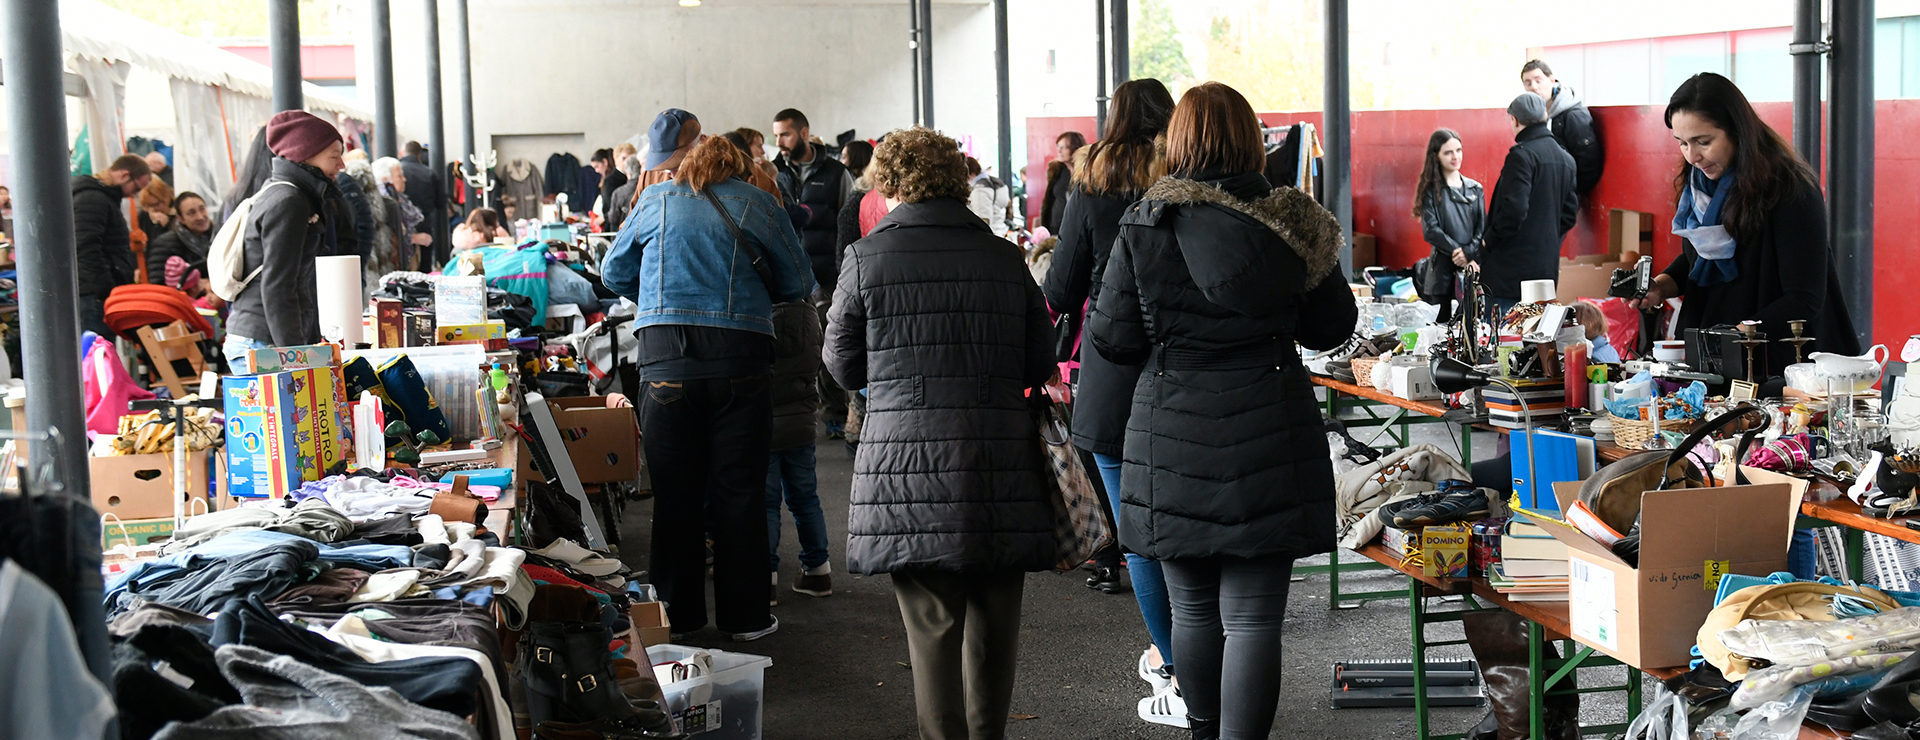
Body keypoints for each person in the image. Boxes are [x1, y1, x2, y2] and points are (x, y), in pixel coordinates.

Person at [1088, 82, 1357, 740]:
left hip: (1171, 433)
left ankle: (1203, 727)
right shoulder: (1294, 220)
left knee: (1194, 611)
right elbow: (1333, 328)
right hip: (1270, 424)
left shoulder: (1147, 221)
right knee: (1256, 620)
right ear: (1252, 141)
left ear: (1176, 142)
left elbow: (1115, 339)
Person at [823, 127, 1055, 740]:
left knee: (931, 628)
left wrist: (892, 386)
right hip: (999, 462)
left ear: (890, 183)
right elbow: (1040, 357)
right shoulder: (1005, 257)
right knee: (996, 627)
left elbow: (841, 361)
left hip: (905, 464)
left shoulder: (865, 258)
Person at [1637, 72, 1860, 581]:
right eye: (1682, 142)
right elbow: (1696, 257)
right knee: (1727, 493)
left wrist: (1738, 333)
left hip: (1785, 368)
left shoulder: (1791, 190)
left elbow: (1806, 297)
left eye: (1703, 140)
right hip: (1725, 367)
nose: (1693, 155)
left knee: (1783, 504)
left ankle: (1789, 606)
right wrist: (1663, 285)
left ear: (1737, 129)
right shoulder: (1701, 189)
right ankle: (1738, 607)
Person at [602, 136, 812, 643]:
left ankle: (679, 617)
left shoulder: (653, 200)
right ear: (739, 168)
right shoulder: (759, 202)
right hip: (742, 358)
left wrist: (656, 295)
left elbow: (612, 273)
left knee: (676, 495)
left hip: (666, 359)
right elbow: (798, 281)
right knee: (739, 493)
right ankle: (747, 620)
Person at [1038, 75, 1184, 727]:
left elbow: (1064, 288)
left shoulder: (1090, 182)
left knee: (1140, 533)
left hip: (1114, 368)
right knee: (1191, 521)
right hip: (1191, 362)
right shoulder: (1190, 177)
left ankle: (1178, 669)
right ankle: (1202, 657)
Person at [224, 111, 345, 368]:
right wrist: (295, 357)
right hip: (263, 343)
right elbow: (278, 284)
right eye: (334, 156)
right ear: (306, 155)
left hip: (260, 338)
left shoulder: (282, 193)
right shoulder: (290, 202)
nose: (341, 164)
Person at [771, 107, 855, 439]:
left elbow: (848, 221)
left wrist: (846, 267)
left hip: (828, 274)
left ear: (804, 133)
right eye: (776, 135)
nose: (779, 141)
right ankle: (803, 413)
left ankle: (836, 411)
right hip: (788, 274)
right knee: (796, 346)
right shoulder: (773, 172)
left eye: (785, 134)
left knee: (831, 344)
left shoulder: (836, 173)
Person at [1480, 93, 1579, 314]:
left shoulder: (1521, 156)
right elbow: (1569, 215)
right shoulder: (1567, 160)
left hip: (1509, 272)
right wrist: (1546, 237)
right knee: (1536, 340)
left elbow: (1514, 211)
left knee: (1506, 341)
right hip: (1545, 270)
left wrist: (1489, 240)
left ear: (1514, 120)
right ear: (1545, 115)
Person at [765, 296, 831, 606]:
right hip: (803, 421)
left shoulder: (759, 311)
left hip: (764, 424)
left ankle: (766, 580)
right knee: (806, 498)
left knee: (765, 505)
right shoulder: (810, 314)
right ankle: (818, 571)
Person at [72, 154, 150, 337]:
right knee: (98, 355)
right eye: (136, 188)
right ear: (124, 175)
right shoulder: (93, 199)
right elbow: (85, 246)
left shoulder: (98, 198)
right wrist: (105, 288)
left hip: (95, 292)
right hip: (93, 295)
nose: (133, 195)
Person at [1414, 128, 1486, 323]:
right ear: (1436, 156)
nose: (1455, 156)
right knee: (1441, 329)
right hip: (1441, 273)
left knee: (1473, 327)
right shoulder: (1430, 191)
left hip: (1472, 267)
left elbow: (1482, 229)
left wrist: (1469, 254)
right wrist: (1458, 252)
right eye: (1448, 152)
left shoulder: (1475, 188)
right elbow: (1431, 231)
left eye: (1459, 150)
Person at [1521, 59, 1604, 196]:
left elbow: (1589, 163)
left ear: (1552, 80)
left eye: (1538, 80)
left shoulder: (1574, 115)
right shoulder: (1535, 116)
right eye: (1528, 83)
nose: (1534, 87)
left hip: (1564, 197)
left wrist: (1569, 194)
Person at [373, 157, 433, 271]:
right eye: (399, 176)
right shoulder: (384, 204)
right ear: (386, 179)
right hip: (392, 266)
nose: (404, 179)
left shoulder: (399, 200)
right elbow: (388, 237)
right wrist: (413, 238)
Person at [147, 192, 215, 287]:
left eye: (202, 209)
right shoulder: (165, 244)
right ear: (181, 219)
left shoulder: (219, 237)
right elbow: (158, 283)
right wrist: (195, 284)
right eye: (192, 213)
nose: (200, 217)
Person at [1039, 130, 1087, 235]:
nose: (1059, 151)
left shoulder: (1087, 174)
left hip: (1076, 228)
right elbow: (1049, 201)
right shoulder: (1057, 170)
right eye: (1058, 146)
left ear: (1076, 148)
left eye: (1064, 147)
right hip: (1055, 226)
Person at [399, 141, 441, 261]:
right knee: (424, 268)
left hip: (402, 225)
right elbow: (440, 202)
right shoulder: (430, 173)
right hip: (425, 224)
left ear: (403, 152)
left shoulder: (398, 170)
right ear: (419, 154)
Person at [964, 157, 1013, 236]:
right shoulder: (996, 183)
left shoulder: (980, 189)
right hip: (1000, 232)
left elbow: (983, 219)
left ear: (971, 174)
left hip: (989, 235)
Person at [590, 147, 626, 222]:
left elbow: (611, 208)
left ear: (605, 162)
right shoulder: (608, 180)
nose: (596, 171)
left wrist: (603, 218)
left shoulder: (610, 181)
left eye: (597, 166)